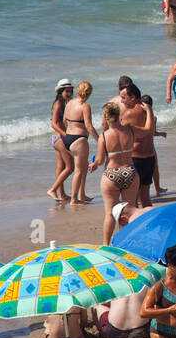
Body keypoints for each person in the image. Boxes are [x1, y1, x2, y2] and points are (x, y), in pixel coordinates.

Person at [89, 101, 139, 245]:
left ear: (105, 117)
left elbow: (99, 160)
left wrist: (93, 165)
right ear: (119, 115)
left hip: (111, 174)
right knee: (128, 212)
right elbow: (147, 131)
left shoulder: (103, 137)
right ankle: (127, 243)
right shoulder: (130, 130)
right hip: (130, 171)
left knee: (110, 213)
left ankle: (106, 246)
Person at [118, 84, 158, 208]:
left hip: (136, 159)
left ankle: (135, 225)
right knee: (145, 198)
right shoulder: (147, 109)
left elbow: (119, 134)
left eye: (124, 98)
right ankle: (150, 224)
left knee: (133, 199)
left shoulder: (129, 113)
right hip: (149, 157)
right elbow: (151, 131)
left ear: (133, 97)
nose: (121, 101)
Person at [62, 81, 96, 204]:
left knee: (83, 166)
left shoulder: (70, 103)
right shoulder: (85, 106)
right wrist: (99, 139)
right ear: (88, 93)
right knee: (79, 170)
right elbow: (89, 126)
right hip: (79, 139)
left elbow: (65, 121)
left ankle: (82, 194)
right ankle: (74, 199)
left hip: (68, 138)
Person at [48, 80, 76, 202]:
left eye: (70, 91)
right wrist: (65, 135)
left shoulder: (63, 103)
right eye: (67, 91)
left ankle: (62, 194)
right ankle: (53, 190)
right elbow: (53, 124)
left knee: (61, 167)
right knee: (70, 168)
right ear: (60, 91)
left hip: (56, 139)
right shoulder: (59, 104)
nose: (69, 93)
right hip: (59, 138)